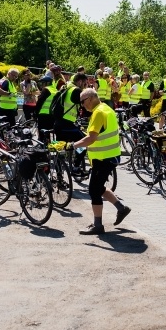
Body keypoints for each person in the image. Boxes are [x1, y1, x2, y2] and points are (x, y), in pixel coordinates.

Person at [67, 88, 131, 235]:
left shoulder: (98, 113)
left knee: (93, 190)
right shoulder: (106, 108)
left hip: (104, 158)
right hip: (110, 156)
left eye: (83, 102)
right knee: (98, 187)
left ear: (90, 98)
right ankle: (121, 208)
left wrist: (73, 145)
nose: (82, 105)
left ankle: (98, 225)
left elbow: (91, 138)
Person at [35, 72, 57, 139]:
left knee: (42, 135)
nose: (41, 85)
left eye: (43, 83)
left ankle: (43, 144)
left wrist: (35, 113)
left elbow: (40, 102)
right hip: (52, 116)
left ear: (47, 83)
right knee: (48, 133)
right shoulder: (55, 90)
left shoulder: (46, 89)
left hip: (43, 115)